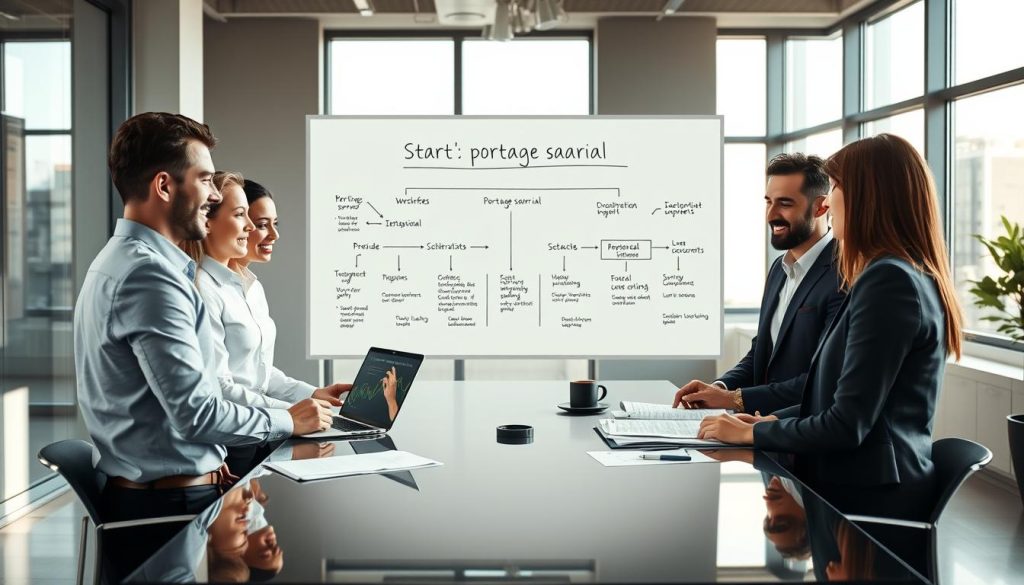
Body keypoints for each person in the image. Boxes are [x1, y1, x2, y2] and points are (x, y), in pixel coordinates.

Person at [75, 113, 334, 527]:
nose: (214, 195)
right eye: (206, 180)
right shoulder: (150, 277)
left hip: (175, 493)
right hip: (169, 509)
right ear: (164, 186)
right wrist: (289, 419)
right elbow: (198, 414)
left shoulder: (121, 261)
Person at [697, 133, 963, 525]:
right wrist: (771, 422)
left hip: (868, 501)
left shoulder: (887, 280)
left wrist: (752, 434)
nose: (830, 203)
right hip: (860, 485)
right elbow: (843, 399)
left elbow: (846, 425)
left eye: (836, 188)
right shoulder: (897, 273)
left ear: (866, 197)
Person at [674, 153, 844, 414]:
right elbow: (761, 353)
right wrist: (718, 387)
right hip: (762, 427)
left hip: (805, 430)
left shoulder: (843, 273)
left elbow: (822, 380)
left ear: (821, 207)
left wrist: (733, 399)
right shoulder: (778, 269)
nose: (771, 214)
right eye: (768, 202)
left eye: (785, 203)